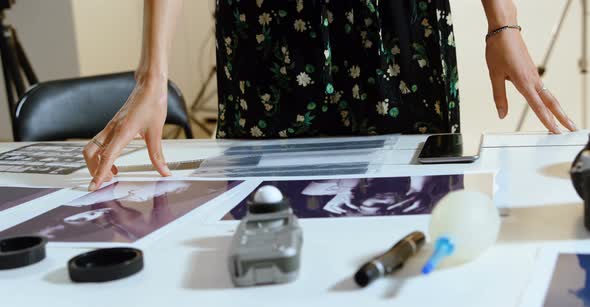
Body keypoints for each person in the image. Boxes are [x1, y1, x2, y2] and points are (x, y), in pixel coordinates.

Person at [84, 0, 577, 191]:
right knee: (264, 227)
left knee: (410, 219)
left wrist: (502, 22)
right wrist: (152, 75)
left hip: (394, 31)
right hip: (269, 37)